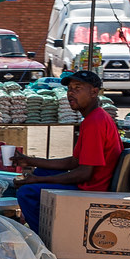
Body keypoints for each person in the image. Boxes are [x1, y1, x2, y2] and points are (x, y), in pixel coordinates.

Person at [13, 70, 123, 230]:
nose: (71, 93)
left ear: (94, 92)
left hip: (92, 188)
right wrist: (29, 160)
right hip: (90, 181)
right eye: (69, 89)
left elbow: (84, 173)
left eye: (77, 88)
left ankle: (46, 238)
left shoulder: (95, 122)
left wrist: (37, 181)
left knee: (26, 193)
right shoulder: (93, 118)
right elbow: (74, 161)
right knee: (41, 172)